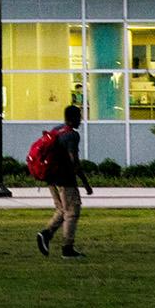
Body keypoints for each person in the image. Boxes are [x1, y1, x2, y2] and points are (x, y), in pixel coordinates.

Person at [35, 105, 92, 259]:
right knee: (72, 212)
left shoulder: (57, 130)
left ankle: (45, 234)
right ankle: (68, 249)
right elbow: (74, 160)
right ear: (72, 118)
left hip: (51, 178)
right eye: (79, 116)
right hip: (65, 179)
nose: (81, 120)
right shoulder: (72, 135)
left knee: (62, 210)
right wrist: (86, 183)